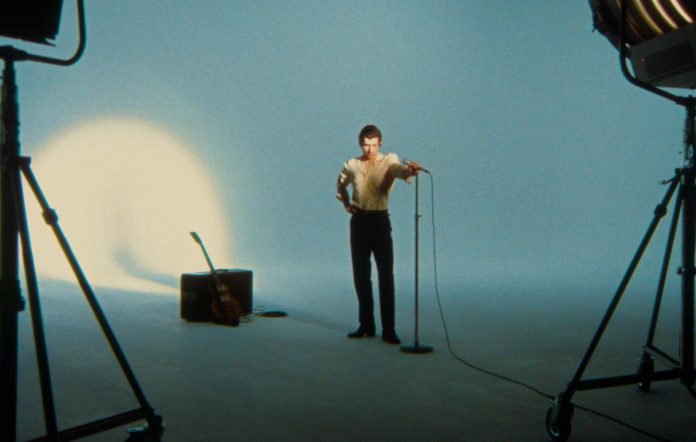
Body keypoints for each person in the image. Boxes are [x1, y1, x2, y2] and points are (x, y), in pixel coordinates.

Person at [336, 124, 421, 344]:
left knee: (386, 275)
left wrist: (410, 171)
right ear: (360, 144)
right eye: (366, 145)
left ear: (380, 143)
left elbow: (399, 170)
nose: (370, 149)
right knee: (361, 275)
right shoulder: (352, 164)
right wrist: (346, 203)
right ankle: (366, 325)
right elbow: (340, 185)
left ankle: (388, 329)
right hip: (359, 222)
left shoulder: (388, 160)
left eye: (374, 145)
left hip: (380, 222)